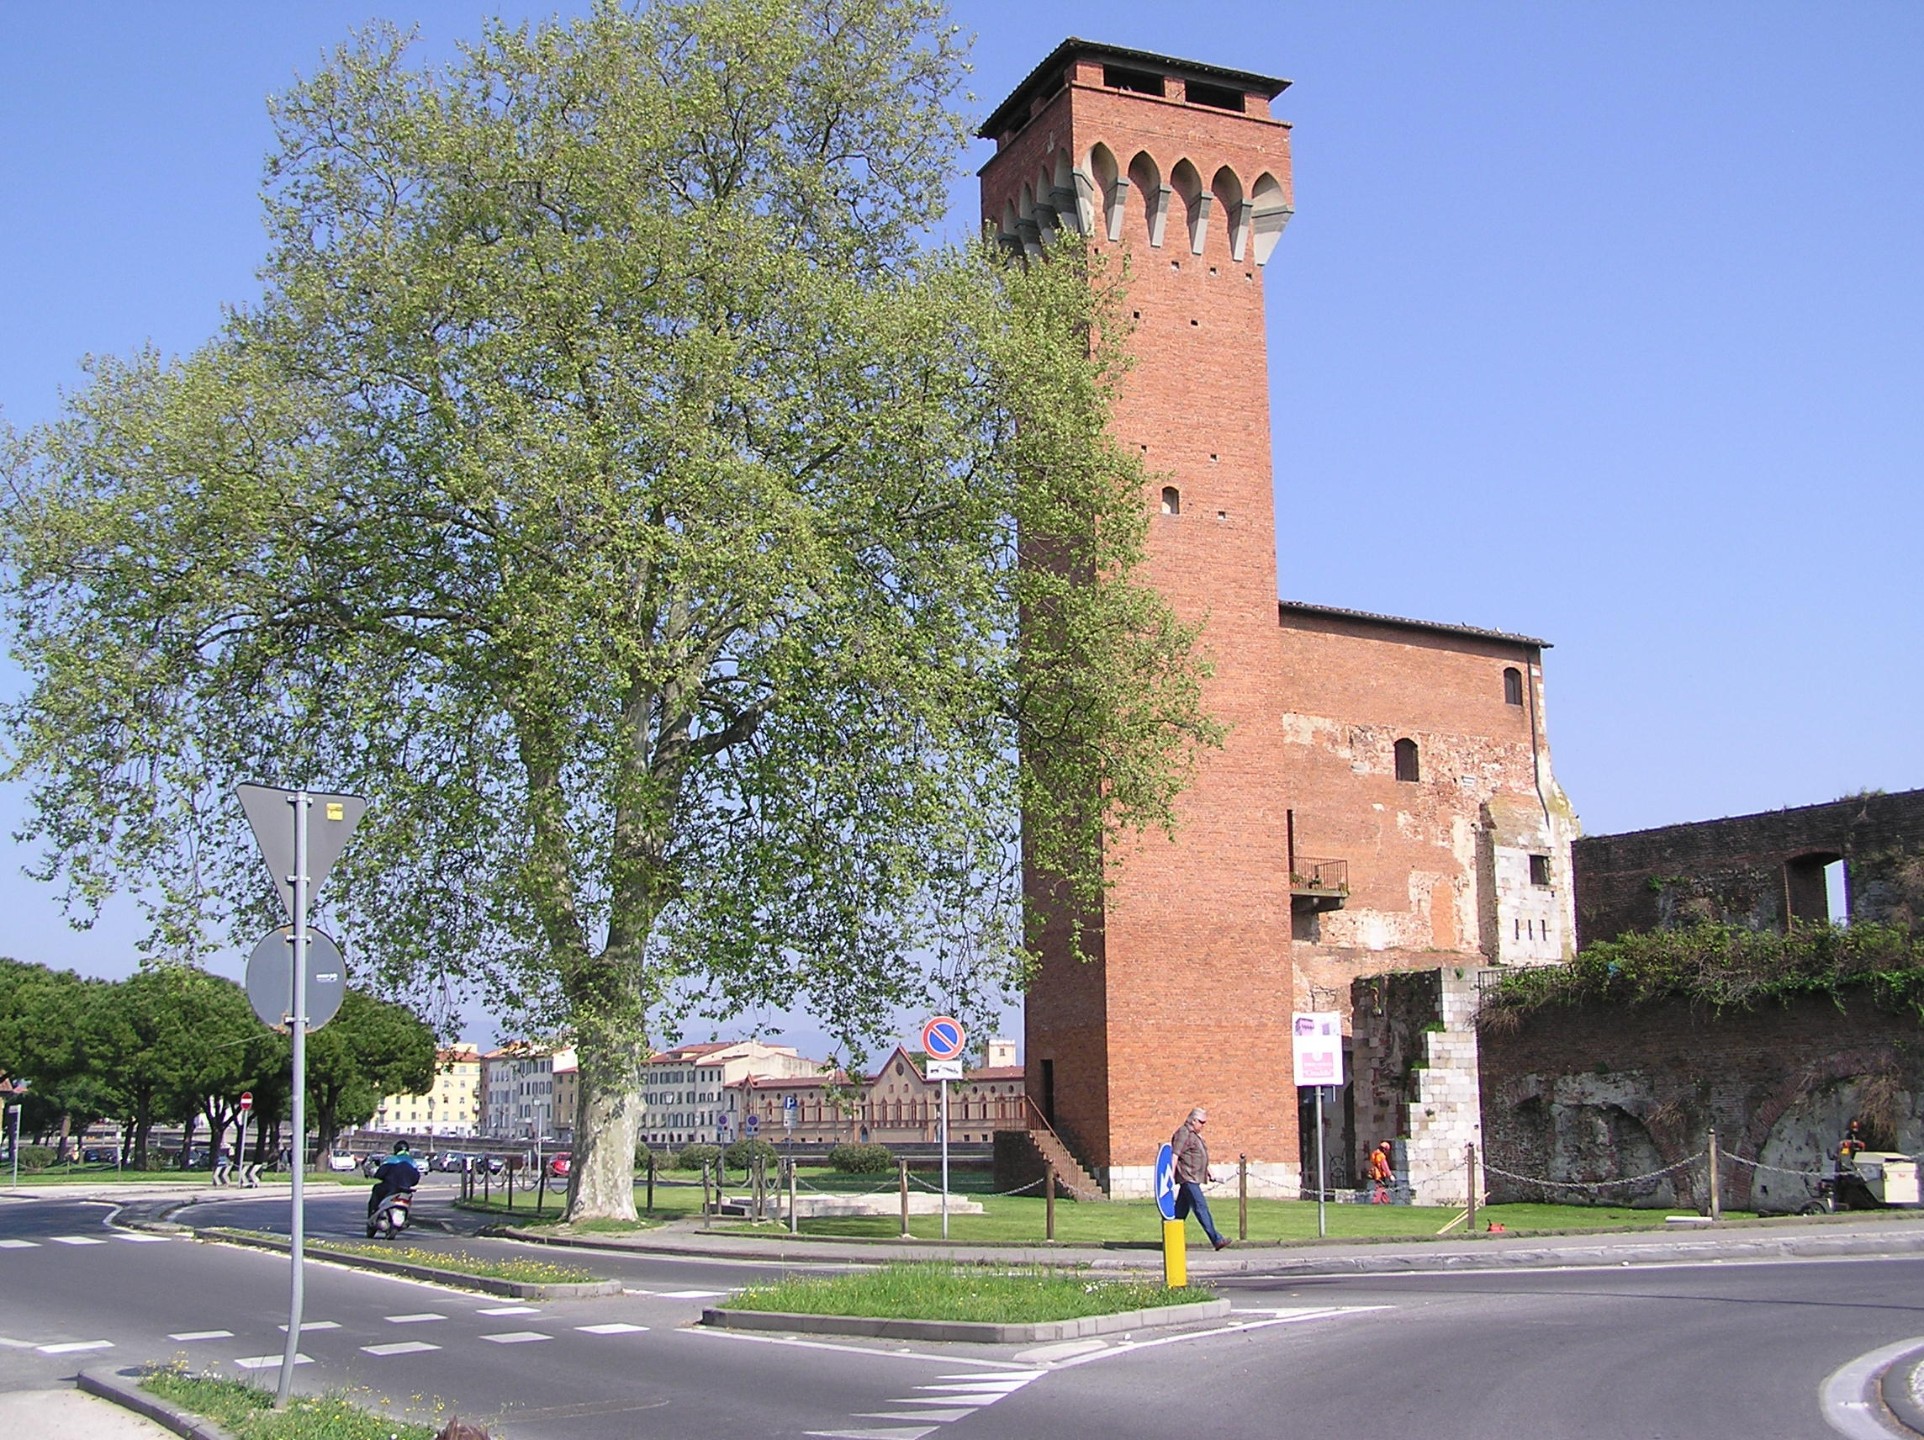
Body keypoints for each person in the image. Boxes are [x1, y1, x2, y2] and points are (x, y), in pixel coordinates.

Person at [1171, 1107, 1230, 1251]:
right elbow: (1175, 1155)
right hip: (1188, 1177)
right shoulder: (1183, 1133)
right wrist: (1170, 1178)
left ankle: (1171, 1239)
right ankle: (1216, 1239)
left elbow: (1199, 1155)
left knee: (1179, 1214)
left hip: (1193, 1177)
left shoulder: (1195, 1136)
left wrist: (1210, 1172)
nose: (1203, 1125)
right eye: (1201, 1122)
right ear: (1193, 1120)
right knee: (1201, 1207)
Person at [367, 1140, 423, 1232]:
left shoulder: (392, 1159)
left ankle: (373, 1214)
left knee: (376, 1189)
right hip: (405, 1190)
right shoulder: (413, 1162)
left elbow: (380, 1173)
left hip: (390, 1188)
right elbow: (415, 1179)